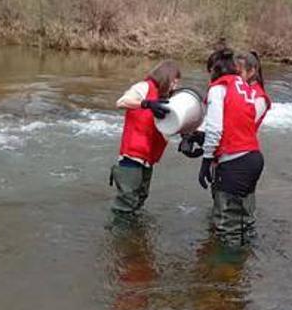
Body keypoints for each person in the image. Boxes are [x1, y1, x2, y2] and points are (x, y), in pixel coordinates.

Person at [197, 49, 271, 245]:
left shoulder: (220, 88)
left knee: (227, 225)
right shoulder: (244, 89)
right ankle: (242, 266)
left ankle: (227, 272)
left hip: (235, 160)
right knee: (242, 221)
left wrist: (206, 159)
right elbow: (232, 122)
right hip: (251, 157)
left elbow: (216, 129)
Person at [110, 60, 181, 214]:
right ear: (166, 77)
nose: (175, 87)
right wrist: (147, 104)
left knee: (139, 199)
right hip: (131, 157)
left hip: (148, 159)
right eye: (174, 82)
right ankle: (119, 235)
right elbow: (121, 102)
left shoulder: (167, 99)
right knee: (126, 202)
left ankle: (134, 236)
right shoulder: (144, 87)